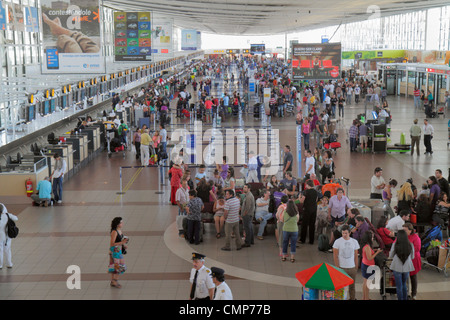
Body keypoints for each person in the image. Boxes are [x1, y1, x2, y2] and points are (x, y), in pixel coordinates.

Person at [333, 225, 360, 300]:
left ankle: (352, 298)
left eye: (346, 233)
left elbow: (356, 255)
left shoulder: (354, 242)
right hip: (342, 268)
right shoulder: (337, 242)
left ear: (350, 232)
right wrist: (337, 267)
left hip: (352, 268)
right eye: (343, 233)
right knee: (339, 286)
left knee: (352, 286)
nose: (344, 235)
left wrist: (356, 267)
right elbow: (335, 256)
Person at [389, 230, 415, 300]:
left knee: (399, 286)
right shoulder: (411, 244)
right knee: (404, 284)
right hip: (406, 268)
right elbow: (412, 257)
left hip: (397, 267)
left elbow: (391, 255)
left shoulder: (395, 244)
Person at [360, 231, 383, 300]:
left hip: (364, 264)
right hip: (368, 266)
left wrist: (374, 250)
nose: (373, 238)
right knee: (368, 284)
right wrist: (377, 252)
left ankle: (364, 297)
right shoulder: (367, 247)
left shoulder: (365, 245)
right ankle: (366, 298)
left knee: (365, 283)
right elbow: (370, 258)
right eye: (372, 237)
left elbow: (367, 254)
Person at [108, 217, 128, 288]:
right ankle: (115, 281)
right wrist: (122, 242)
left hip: (118, 250)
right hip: (115, 251)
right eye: (121, 222)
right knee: (119, 266)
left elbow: (119, 241)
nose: (122, 224)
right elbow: (112, 243)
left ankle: (113, 281)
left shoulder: (119, 230)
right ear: (117, 224)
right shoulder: (114, 232)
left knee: (116, 266)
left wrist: (123, 245)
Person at [403, 222, 421, 300]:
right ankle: (405, 293)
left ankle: (414, 294)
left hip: (413, 259)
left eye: (405, 230)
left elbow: (417, 248)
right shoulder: (402, 236)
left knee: (413, 277)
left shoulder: (415, 237)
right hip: (404, 259)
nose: (403, 231)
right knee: (405, 277)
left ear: (410, 230)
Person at [298, 179, 318, 245]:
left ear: (307, 185)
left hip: (307, 209)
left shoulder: (305, 192)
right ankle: (311, 240)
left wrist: (299, 197)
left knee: (304, 225)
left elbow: (301, 201)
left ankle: (302, 239)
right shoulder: (315, 191)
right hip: (314, 209)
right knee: (312, 225)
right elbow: (316, 200)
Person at [0, 204, 18, 269]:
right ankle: (9, 263)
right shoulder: (7, 215)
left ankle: (0, 265)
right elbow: (16, 218)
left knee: (0, 251)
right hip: (7, 236)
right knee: (7, 250)